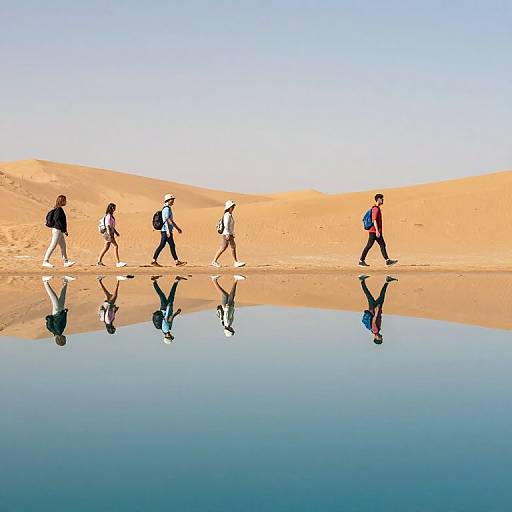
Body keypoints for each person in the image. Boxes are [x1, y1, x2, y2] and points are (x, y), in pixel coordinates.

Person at [359, 194, 398, 267]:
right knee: (370, 245)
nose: (383, 200)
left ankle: (387, 261)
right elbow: (374, 220)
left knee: (381, 245)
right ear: (378, 199)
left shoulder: (377, 208)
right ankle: (361, 260)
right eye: (382, 199)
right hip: (374, 231)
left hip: (375, 231)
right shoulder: (375, 209)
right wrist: (377, 230)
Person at [359, 274, 397, 344]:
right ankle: (387, 281)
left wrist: (376, 311)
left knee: (375, 296)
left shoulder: (375, 330)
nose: (381, 338)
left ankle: (362, 280)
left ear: (376, 338)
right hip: (374, 310)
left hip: (374, 310)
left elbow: (374, 321)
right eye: (381, 339)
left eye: (380, 339)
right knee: (375, 296)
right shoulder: (376, 331)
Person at [151, 194, 187, 267]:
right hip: (165, 231)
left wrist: (177, 228)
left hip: (167, 231)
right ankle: (154, 261)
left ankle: (176, 261)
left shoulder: (168, 208)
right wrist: (168, 231)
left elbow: (170, 221)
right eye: (172, 199)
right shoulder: (166, 209)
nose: (173, 201)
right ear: (168, 200)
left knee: (170, 245)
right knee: (163, 245)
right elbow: (166, 220)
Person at [42, 195, 76, 268]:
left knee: (63, 246)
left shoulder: (58, 209)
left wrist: (64, 230)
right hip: (57, 230)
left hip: (59, 230)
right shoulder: (59, 209)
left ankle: (66, 261)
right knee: (53, 245)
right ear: (62, 201)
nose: (66, 202)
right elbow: (57, 219)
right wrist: (63, 229)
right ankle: (45, 261)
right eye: (65, 200)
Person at [151, 275, 186, 343]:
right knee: (164, 295)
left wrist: (175, 312)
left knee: (167, 295)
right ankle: (155, 282)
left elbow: (169, 318)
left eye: (170, 337)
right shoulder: (164, 330)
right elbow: (170, 318)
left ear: (168, 337)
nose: (171, 336)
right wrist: (176, 313)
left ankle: (155, 282)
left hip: (166, 309)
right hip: (164, 309)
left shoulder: (166, 329)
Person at [43, 275, 75, 346]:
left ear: (61, 340)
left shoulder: (58, 331)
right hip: (59, 312)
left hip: (57, 312)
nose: (65, 339)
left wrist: (64, 313)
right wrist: (64, 312)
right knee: (62, 296)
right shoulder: (56, 332)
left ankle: (45, 281)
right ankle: (65, 281)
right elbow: (51, 325)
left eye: (64, 340)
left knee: (53, 297)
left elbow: (61, 320)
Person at [211, 200, 245, 268]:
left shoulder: (229, 215)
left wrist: (231, 233)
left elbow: (229, 226)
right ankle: (235, 262)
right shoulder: (227, 215)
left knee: (223, 248)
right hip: (227, 234)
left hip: (228, 233)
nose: (233, 207)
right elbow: (226, 225)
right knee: (233, 247)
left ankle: (214, 261)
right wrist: (227, 234)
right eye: (232, 206)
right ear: (229, 207)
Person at [97, 203, 126, 268]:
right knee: (116, 246)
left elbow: (112, 226)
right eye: (114, 207)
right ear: (112, 208)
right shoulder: (108, 216)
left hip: (110, 233)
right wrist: (110, 235)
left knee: (106, 248)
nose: (115, 209)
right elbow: (108, 225)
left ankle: (99, 261)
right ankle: (118, 262)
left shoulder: (111, 216)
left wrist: (116, 232)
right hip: (108, 233)